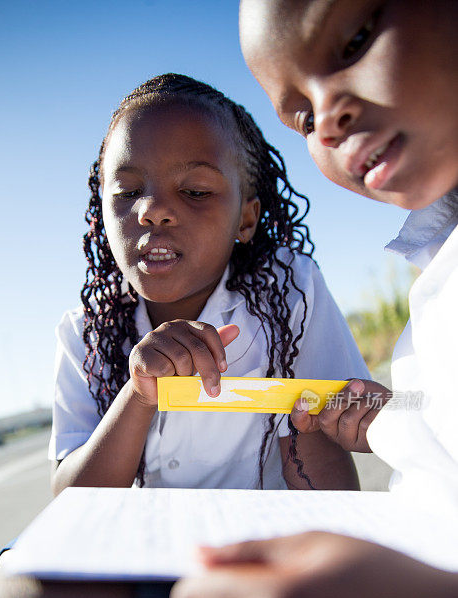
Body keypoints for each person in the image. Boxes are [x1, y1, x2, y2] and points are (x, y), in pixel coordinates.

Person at [166, 0, 458, 598]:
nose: (323, 117)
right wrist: (382, 426)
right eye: (296, 115)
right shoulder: (438, 264)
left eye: (354, 39)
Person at [49, 73, 366, 496]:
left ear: (246, 219)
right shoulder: (86, 332)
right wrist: (139, 396)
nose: (153, 210)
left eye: (195, 191)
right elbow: (70, 499)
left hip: (267, 549)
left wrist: (307, 422)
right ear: (99, 211)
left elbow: (335, 497)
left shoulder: (291, 293)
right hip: (148, 553)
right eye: (127, 191)